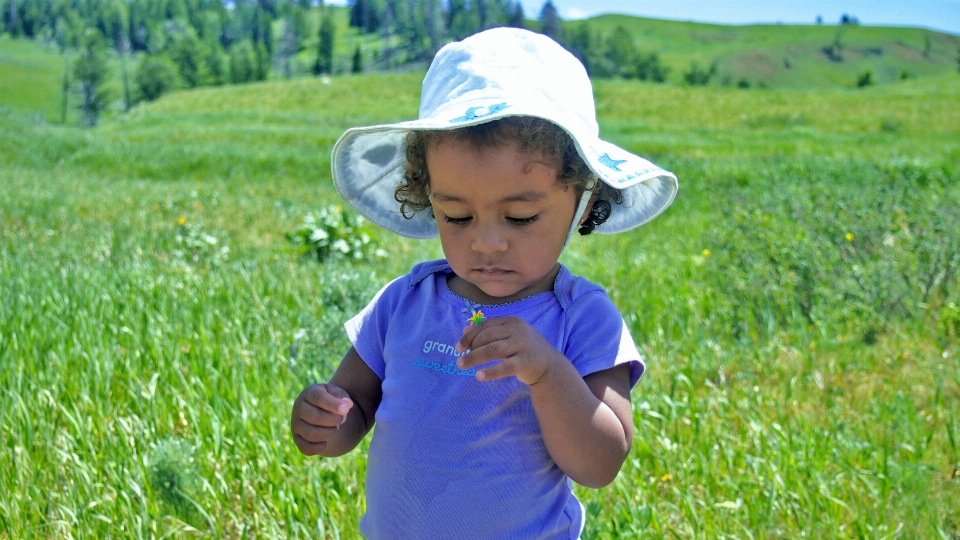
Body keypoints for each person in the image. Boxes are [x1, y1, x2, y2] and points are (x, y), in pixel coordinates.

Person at [291, 27, 677, 539]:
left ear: (582, 199)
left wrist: (547, 372)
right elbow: (356, 404)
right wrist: (325, 420)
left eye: (520, 218)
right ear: (427, 194)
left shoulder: (581, 317)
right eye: (456, 215)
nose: (487, 243)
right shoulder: (405, 302)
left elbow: (601, 462)